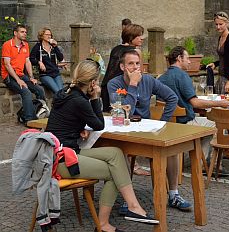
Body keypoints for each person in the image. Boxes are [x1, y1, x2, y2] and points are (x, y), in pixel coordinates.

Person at [45, 60, 159, 232]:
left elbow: (67, 122)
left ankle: (132, 205)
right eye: (96, 81)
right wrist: (96, 97)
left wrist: (80, 128)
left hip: (57, 153)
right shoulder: (80, 100)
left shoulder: (64, 93)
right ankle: (104, 225)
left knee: (115, 153)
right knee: (114, 173)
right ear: (92, 82)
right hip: (60, 161)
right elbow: (99, 124)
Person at [107, 49, 193, 212]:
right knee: (119, 151)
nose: (135, 67)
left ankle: (173, 194)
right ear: (122, 67)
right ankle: (128, 198)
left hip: (145, 128)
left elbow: (172, 98)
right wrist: (132, 84)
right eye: (130, 64)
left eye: (137, 63)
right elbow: (125, 112)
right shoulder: (114, 84)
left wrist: (162, 122)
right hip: (123, 128)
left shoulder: (148, 80)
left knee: (171, 149)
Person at [158, 46, 229, 176]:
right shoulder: (182, 76)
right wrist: (220, 103)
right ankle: (209, 165)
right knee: (218, 124)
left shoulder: (161, 78)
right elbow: (195, 102)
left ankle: (200, 160)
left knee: (206, 122)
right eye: (187, 58)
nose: (190, 61)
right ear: (179, 58)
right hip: (184, 123)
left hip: (167, 124)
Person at [1, 24, 46, 124]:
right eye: (22, 32)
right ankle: (29, 120)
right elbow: (7, 65)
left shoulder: (25, 45)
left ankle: (39, 112)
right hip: (8, 76)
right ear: (15, 33)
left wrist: (31, 77)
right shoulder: (7, 45)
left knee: (39, 90)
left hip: (20, 74)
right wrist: (18, 80)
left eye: (25, 32)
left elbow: (27, 62)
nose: (25, 34)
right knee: (26, 92)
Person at [101, 23, 145, 112]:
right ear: (130, 37)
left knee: (111, 114)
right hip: (123, 86)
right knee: (124, 113)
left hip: (107, 86)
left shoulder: (115, 48)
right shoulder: (135, 51)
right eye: (138, 36)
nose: (141, 38)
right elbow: (139, 74)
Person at [208, 11, 229, 94]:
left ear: (226, 23)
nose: (218, 27)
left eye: (221, 24)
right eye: (216, 24)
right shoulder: (220, 37)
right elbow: (226, 58)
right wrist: (215, 64)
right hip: (222, 77)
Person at [30, 27, 64, 94]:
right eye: (47, 34)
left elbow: (60, 58)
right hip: (45, 74)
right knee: (57, 91)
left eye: (50, 35)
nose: (49, 36)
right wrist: (39, 62)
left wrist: (55, 46)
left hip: (56, 73)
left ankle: (56, 104)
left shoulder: (53, 47)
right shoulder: (38, 46)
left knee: (62, 92)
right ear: (42, 36)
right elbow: (31, 58)